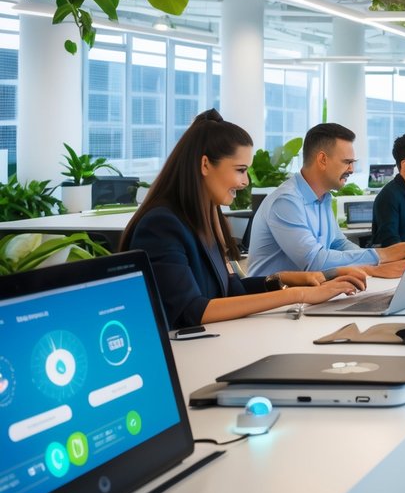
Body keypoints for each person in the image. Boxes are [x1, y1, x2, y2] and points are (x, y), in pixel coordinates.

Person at [122, 110, 366, 329]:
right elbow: (191, 310)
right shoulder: (162, 225)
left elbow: (232, 291)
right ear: (205, 164)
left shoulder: (207, 218)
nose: (246, 181)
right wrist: (298, 294)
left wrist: (290, 280)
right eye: (240, 170)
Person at [248, 123, 405, 281]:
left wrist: (376, 263)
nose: (351, 169)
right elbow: (314, 262)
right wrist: (381, 256)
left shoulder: (323, 197)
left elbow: (338, 244)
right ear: (322, 159)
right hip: (275, 302)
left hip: (307, 295)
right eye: (347, 162)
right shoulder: (286, 201)